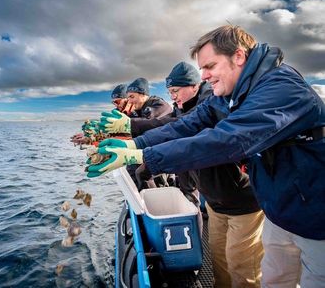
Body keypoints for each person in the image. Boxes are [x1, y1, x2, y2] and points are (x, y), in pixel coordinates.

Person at [87, 25, 325, 287]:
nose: (204, 76)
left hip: (316, 219)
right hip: (279, 210)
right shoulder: (229, 95)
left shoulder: (281, 87)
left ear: (238, 56)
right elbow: (185, 125)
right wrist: (133, 145)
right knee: (273, 279)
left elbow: (227, 140)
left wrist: (143, 156)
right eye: (201, 69)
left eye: (210, 66)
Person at [102, 62, 264, 287]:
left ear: (195, 86)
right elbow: (170, 127)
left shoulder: (211, 106)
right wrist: (134, 143)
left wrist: (136, 149)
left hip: (242, 203)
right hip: (216, 203)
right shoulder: (183, 109)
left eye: (176, 91)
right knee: (220, 263)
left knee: (242, 266)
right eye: (170, 93)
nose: (173, 97)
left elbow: (185, 134)